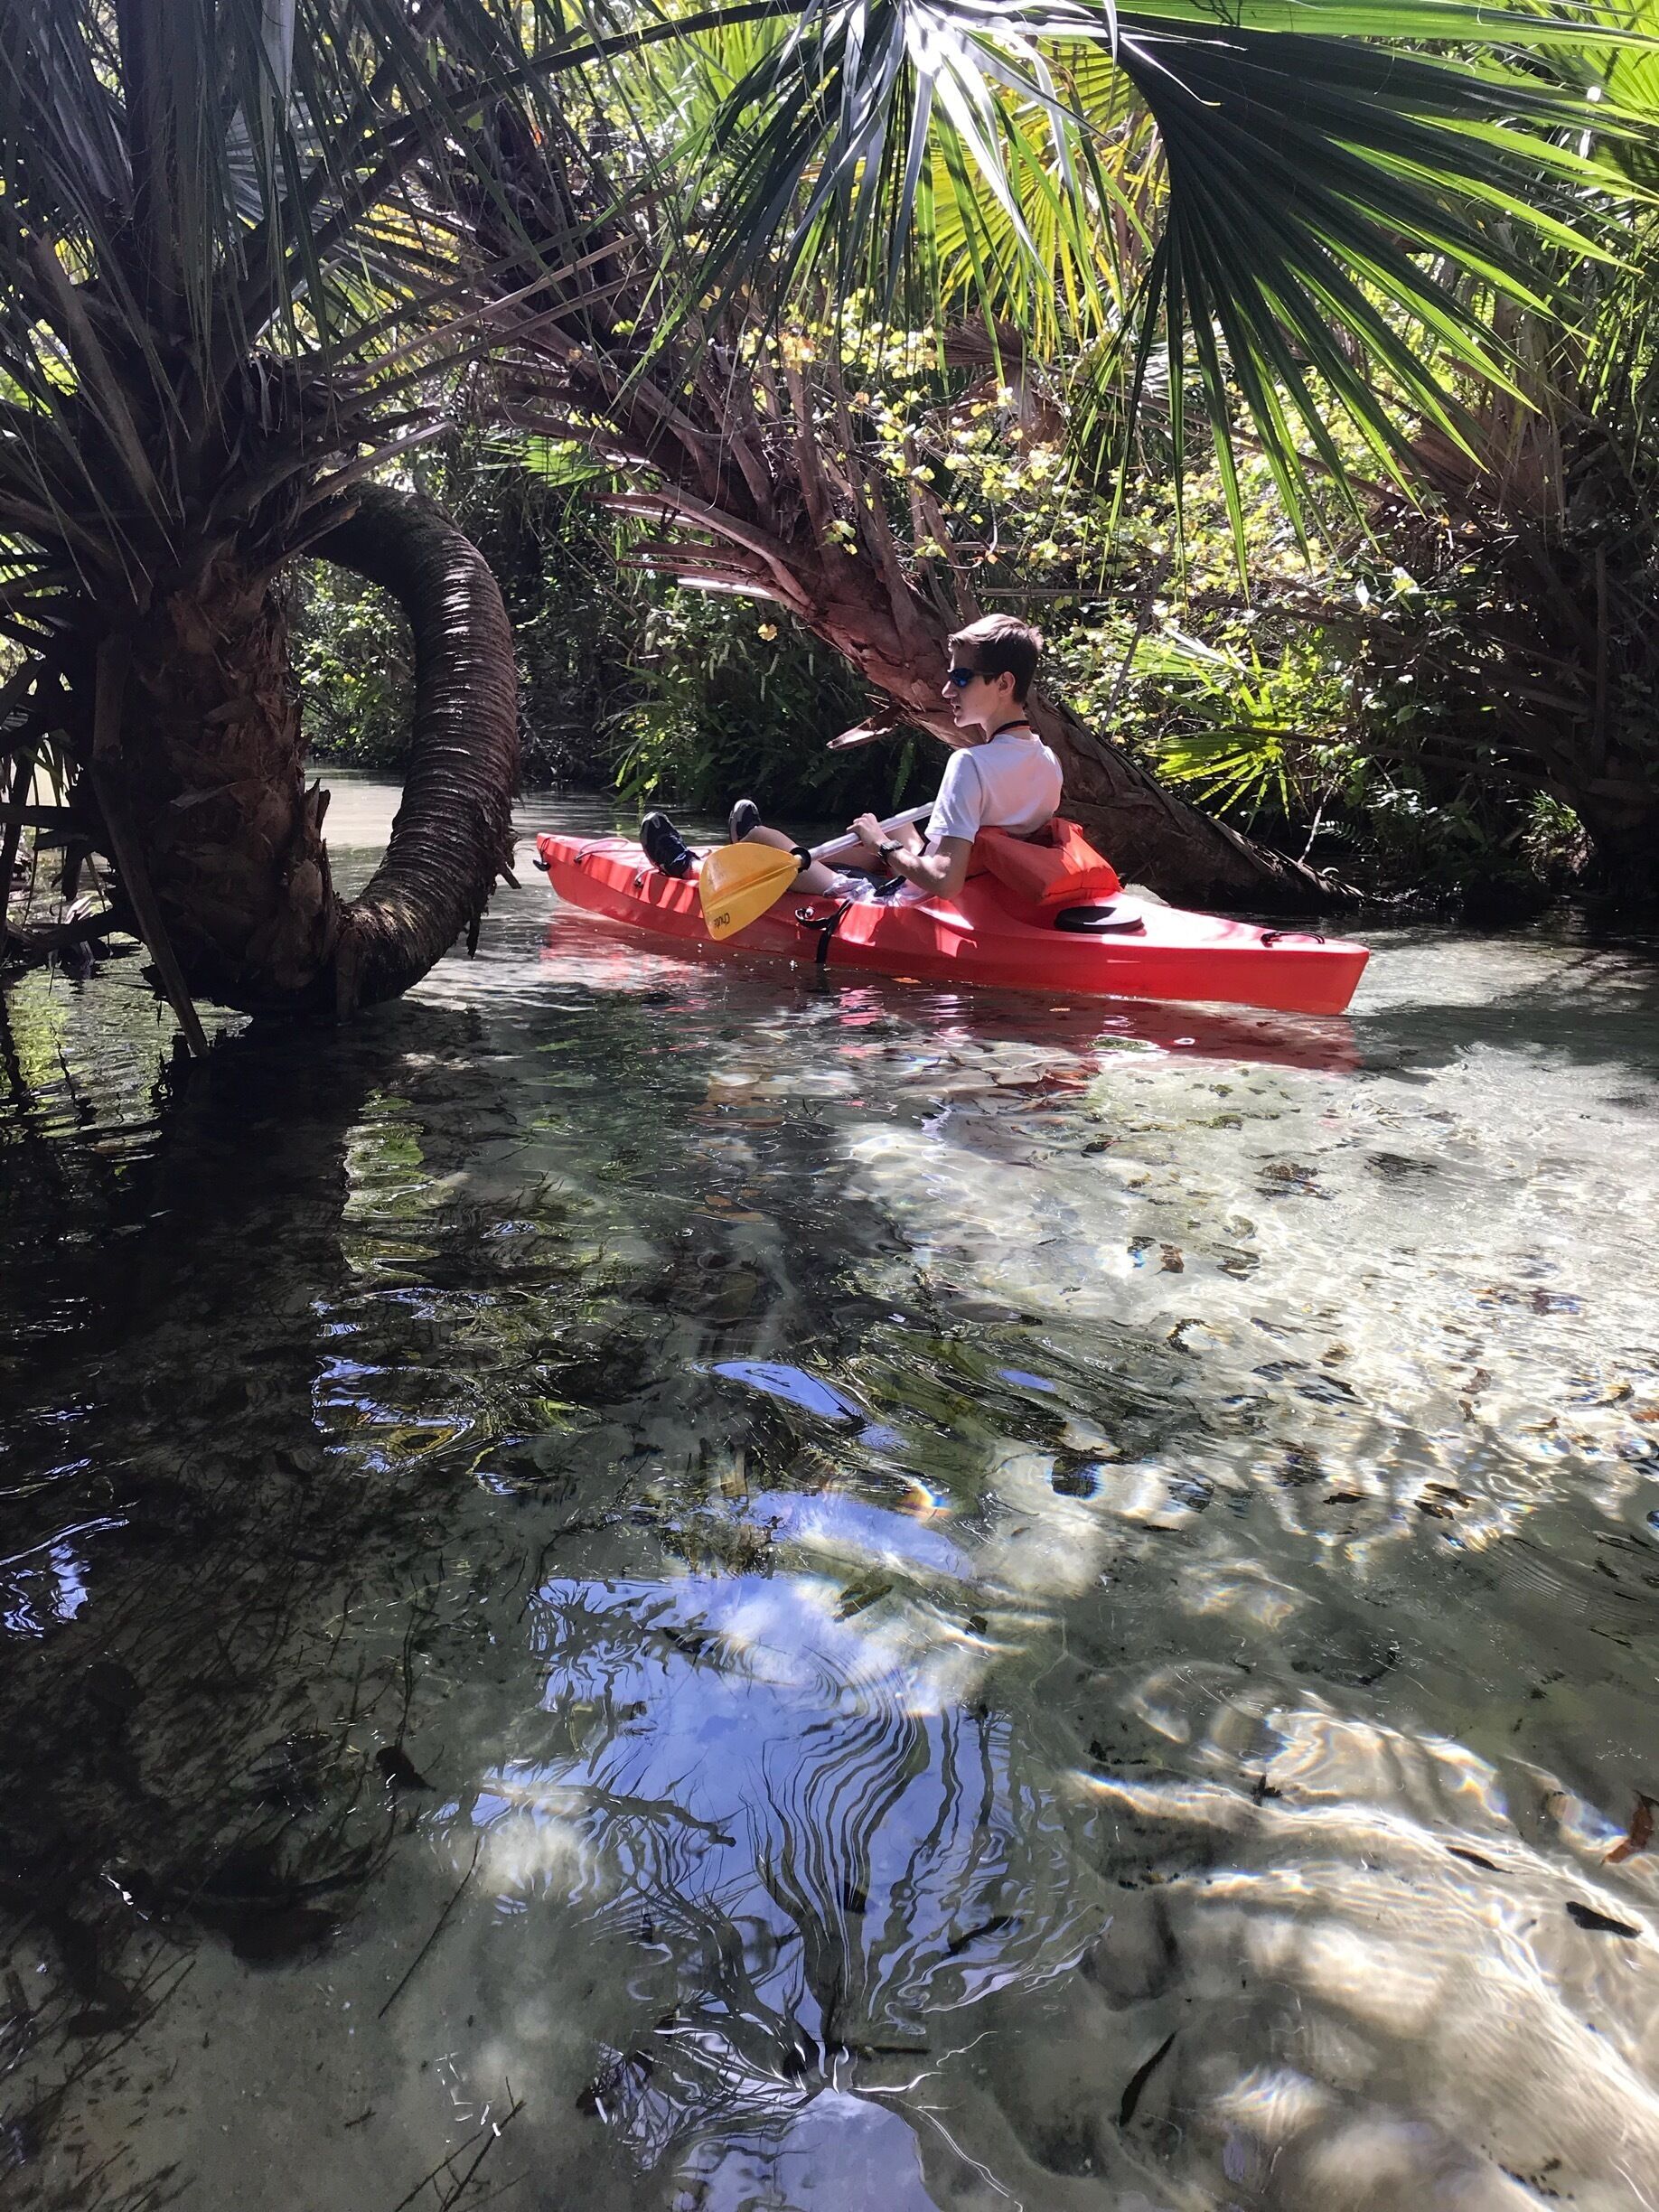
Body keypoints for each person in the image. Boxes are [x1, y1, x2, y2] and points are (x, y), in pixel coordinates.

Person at [640, 614, 1062, 899]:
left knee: (763, 841)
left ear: (1004, 683)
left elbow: (945, 882)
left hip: (908, 903)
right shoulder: (1048, 762)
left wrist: (882, 845)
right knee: (901, 831)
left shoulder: (969, 765)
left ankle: (690, 867)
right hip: (979, 892)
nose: (948, 690)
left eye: (961, 678)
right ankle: (730, 855)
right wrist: (896, 843)